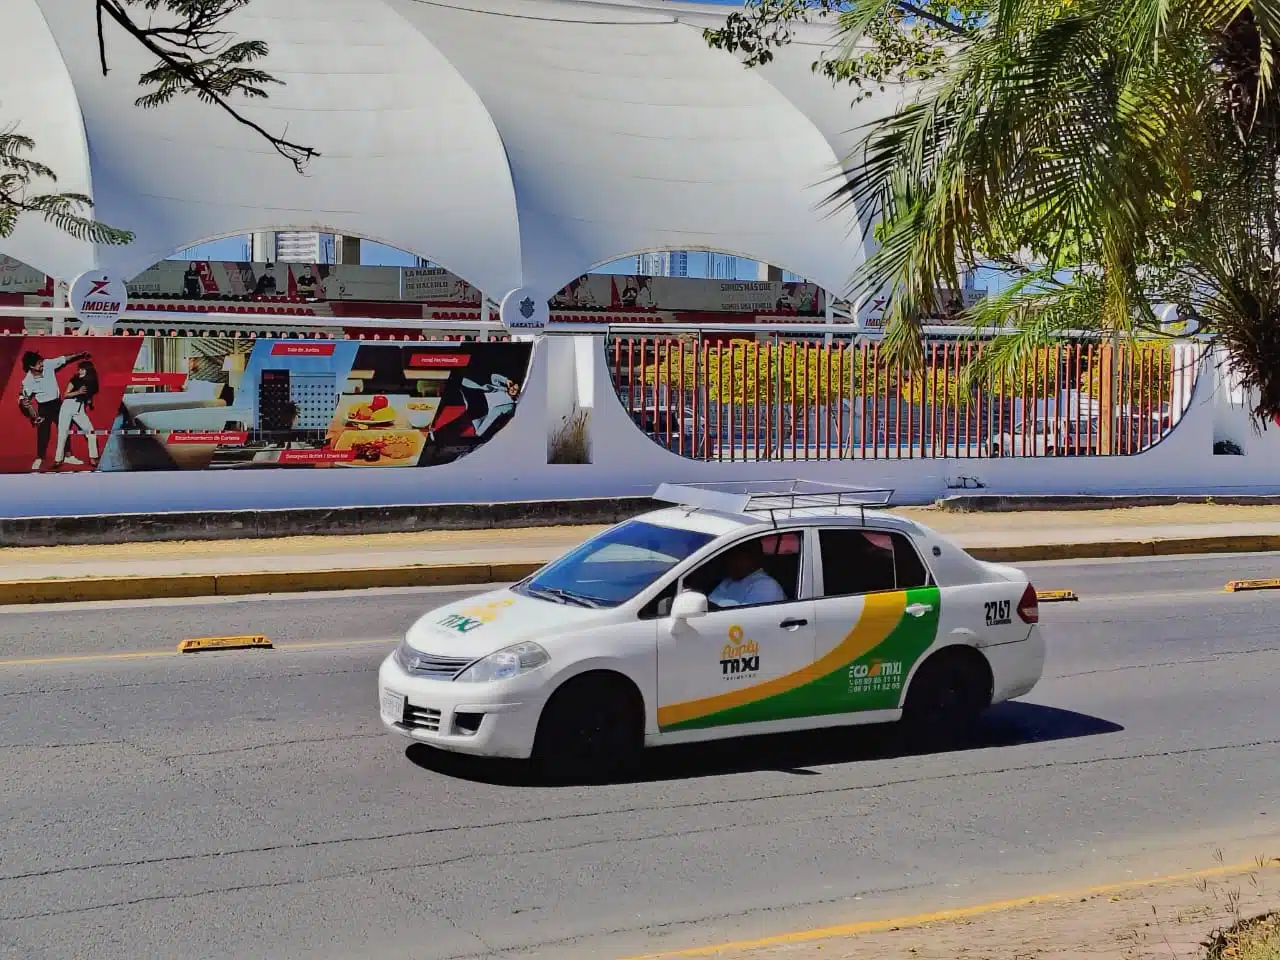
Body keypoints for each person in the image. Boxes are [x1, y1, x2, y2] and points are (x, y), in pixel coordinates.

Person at [19, 350, 90, 471]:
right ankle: (40, 458)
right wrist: (23, 403)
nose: (42, 365)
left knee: (64, 429)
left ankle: (68, 456)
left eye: (41, 362)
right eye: (39, 364)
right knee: (43, 434)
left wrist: (80, 355)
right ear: (31, 366)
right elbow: (23, 397)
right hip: (43, 407)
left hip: (57, 404)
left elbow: (64, 358)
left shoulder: (48, 364)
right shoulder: (28, 381)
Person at [708, 539, 786, 608]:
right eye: (729, 556)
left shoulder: (766, 585)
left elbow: (749, 618)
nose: (729, 561)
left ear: (753, 557)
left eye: (735, 556)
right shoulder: (728, 581)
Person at [55, 359, 101, 467]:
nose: (79, 371)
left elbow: (89, 394)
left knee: (91, 433)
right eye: (79, 369)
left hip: (79, 408)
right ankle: (58, 460)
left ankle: (93, 458)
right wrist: (78, 392)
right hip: (67, 406)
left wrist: (89, 401)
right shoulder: (75, 379)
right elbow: (65, 395)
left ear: (88, 370)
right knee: (62, 433)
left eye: (82, 369)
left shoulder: (92, 381)